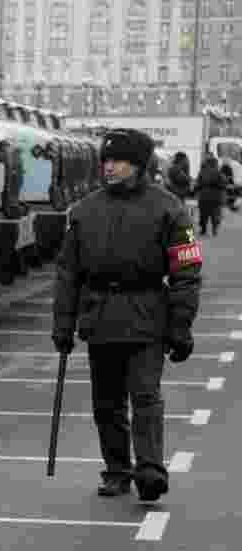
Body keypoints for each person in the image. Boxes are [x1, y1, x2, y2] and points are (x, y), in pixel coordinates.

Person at [51, 128, 202, 502]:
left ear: (138, 164)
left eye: (118, 160)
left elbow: (187, 269)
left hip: (148, 314)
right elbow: (68, 273)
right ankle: (116, 469)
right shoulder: (85, 211)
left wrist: (181, 325)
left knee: (146, 396)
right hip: (100, 316)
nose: (109, 166)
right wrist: (63, 325)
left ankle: (149, 469)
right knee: (107, 402)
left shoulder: (170, 209)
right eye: (107, 159)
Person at [195, 155, 228, 236]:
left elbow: (198, 183)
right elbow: (223, 184)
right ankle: (214, 229)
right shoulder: (219, 173)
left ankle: (203, 229)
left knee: (203, 214)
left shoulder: (202, 172)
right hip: (216, 197)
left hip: (204, 196)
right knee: (215, 214)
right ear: (215, 163)